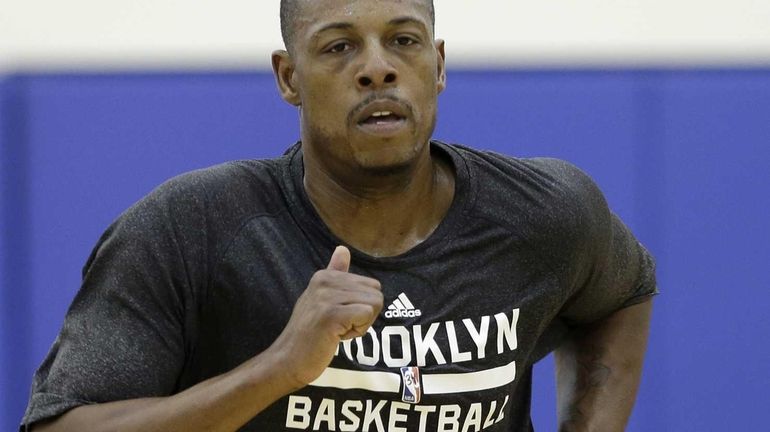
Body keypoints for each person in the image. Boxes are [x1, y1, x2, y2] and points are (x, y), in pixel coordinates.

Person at [21, 0, 657, 431]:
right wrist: (280, 368)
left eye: (403, 41)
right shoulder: (191, 230)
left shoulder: (540, 213)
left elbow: (623, 292)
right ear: (288, 77)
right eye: (339, 47)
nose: (377, 67)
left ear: (437, 65)